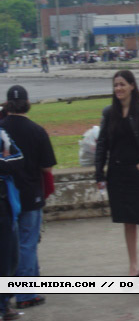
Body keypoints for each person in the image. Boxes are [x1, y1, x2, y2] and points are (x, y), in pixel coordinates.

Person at [95, 70, 139, 276]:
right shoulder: (109, 113)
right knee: (128, 221)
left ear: (132, 86)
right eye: (116, 85)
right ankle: (133, 267)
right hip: (118, 174)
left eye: (123, 84)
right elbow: (102, 146)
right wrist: (99, 173)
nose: (119, 89)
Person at [0, 85, 57, 310]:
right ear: (27, 103)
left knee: (9, 245)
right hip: (31, 194)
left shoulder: (1, 129)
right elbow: (47, 168)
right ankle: (26, 293)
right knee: (27, 244)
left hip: (6, 195)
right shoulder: (37, 131)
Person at [0, 123, 23, 321]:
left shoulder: (2, 134)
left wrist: (5, 161)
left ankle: (5, 302)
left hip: (4, 204)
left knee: (10, 257)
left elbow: (19, 158)